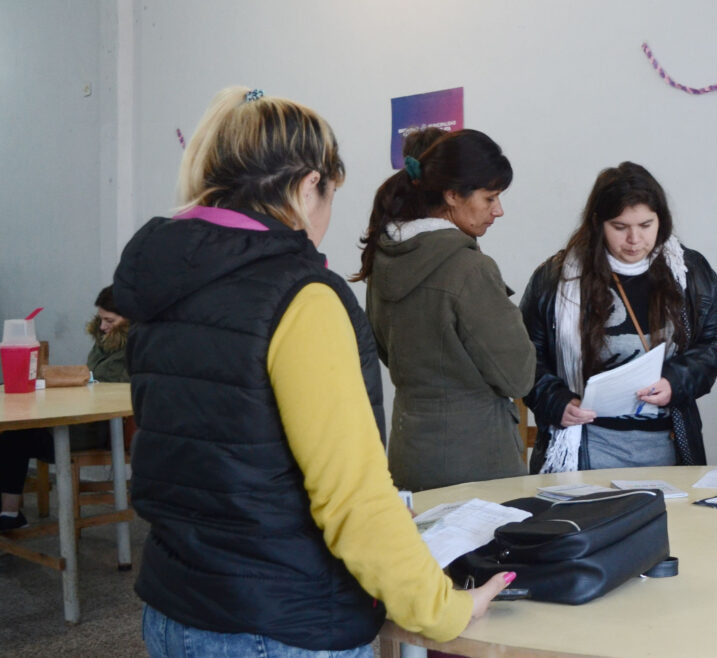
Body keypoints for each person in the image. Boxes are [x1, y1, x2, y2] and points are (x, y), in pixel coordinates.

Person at [112, 87, 511, 657]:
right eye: (329, 196)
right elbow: (352, 500)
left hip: (173, 611)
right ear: (307, 186)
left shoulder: (162, 280)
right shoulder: (299, 296)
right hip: (281, 623)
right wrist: (442, 608)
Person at [520, 161, 717, 472]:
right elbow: (525, 356)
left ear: (662, 220)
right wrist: (554, 399)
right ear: (598, 223)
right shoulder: (557, 278)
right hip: (585, 444)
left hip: (667, 440)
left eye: (646, 225)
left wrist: (676, 381)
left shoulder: (689, 272)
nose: (634, 239)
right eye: (620, 227)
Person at [353, 129, 535, 492]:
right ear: (452, 195)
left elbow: (389, 353)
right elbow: (518, 376)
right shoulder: (469, 269)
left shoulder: (383, 259)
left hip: (409, 455)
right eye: (490, 198)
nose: (498, 210)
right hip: (479, 465)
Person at [0, 285, 130, 532]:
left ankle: (10, 513)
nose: (102, 326)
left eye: (109, 320)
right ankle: (9, 512)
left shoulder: (133, 349)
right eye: (101, 319)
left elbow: (105, 387)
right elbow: (91, 379)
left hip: (96, 429)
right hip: (84, 421)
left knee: (14, 437)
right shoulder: (107, 342)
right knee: (13, 435)